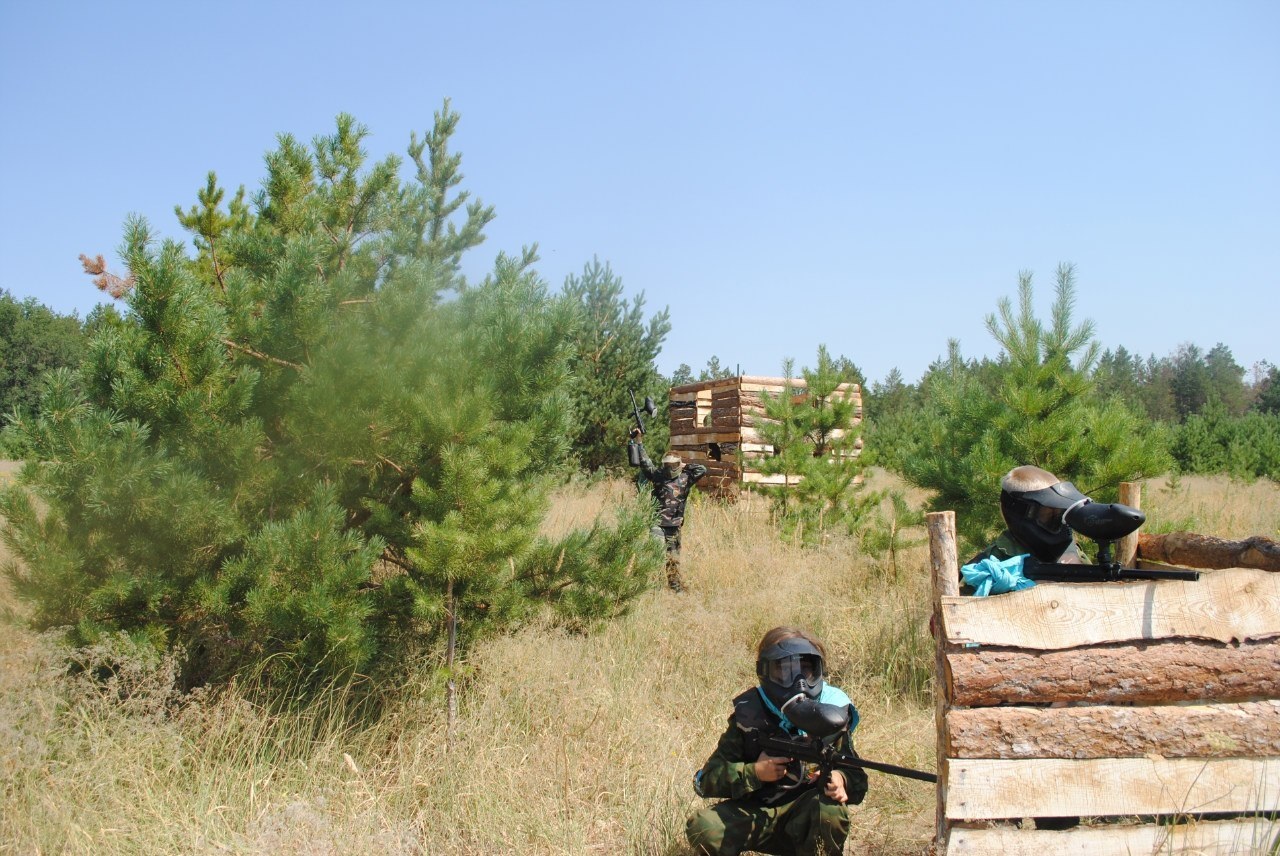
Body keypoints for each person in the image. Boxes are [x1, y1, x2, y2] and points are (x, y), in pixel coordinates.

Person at [685, 626, 867, 856]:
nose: (798, 682)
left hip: (805, 816)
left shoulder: (830, 714)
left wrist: (841, 780)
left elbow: (858, 779)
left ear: (818, 670)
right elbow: (706, 781)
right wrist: (755, 772)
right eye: (785, 670)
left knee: (830, 812)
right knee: (704, 827)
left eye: (805, 669)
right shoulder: (750, 715)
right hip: (755, 815)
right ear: (765, 672)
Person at [627, 428, 707, 592]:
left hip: (674, 525)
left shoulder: (686, 477)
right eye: (667, 465)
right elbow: (644, 461)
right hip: (657, 523)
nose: (669, 468)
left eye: (672, 465)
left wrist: (685, 465)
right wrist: (639, 441)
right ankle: (654, 588)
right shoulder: (658, 475)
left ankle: (675, 588)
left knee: (673, 559)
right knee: (655, 556)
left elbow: (702, 469)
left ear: (678, 465)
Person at [968, 464, 1088, 568]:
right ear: (1019, 515)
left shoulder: (1071, 552)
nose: (1061, 522)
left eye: (1061, 513)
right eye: (1048, 516)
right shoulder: (990, 564)